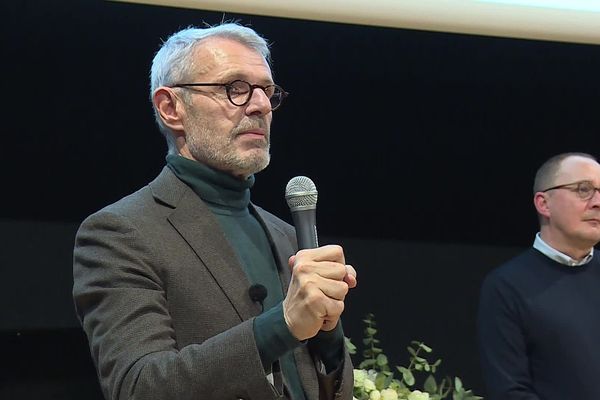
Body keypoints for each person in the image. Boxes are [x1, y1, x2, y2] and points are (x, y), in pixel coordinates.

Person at [72, 23, 357, 400]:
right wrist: (282, 324)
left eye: (267, 91)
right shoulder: (121, 233)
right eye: (234, 89)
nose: (259, 105)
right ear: (171, 108)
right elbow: (139, 387)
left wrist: (328, 333)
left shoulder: (287, 235)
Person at [477, 152, 600, 399]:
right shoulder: (506, 287)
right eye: (583, 189)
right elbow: (510, 391)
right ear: (544, 204)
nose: (597, 201)